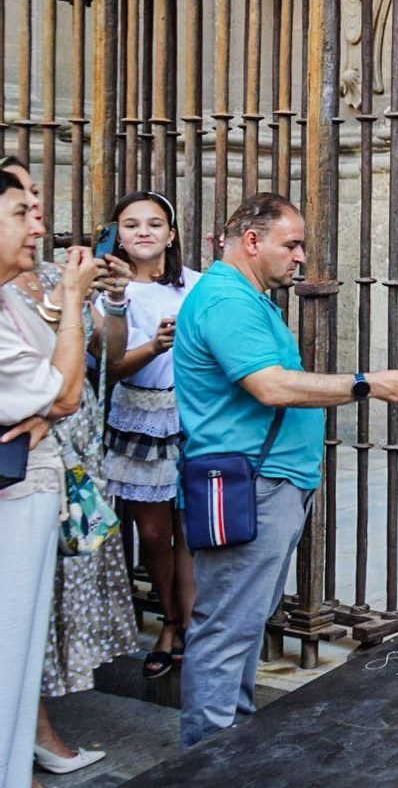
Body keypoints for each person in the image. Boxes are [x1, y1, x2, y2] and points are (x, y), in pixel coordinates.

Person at [173, 193, 398, 748]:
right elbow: (270, 386)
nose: (301, 257)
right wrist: (365, 383)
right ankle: (205, 762)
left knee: (240, 625)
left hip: (267, 482)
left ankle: (226, 746)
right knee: (226, 629)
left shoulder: (249, 297)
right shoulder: (225, 301)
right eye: (292, 244)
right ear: (252, 240)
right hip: (249, 485)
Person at [0, 158, 135, 779]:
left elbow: (86, 366)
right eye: (21, 207)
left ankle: (33, 731)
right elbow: (59, 390)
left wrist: (101, 300)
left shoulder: (40, 279)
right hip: (18, 481)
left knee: (33, 624)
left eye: (36, 203)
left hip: (61, 462)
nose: (37, 219)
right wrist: (49, 404)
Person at [102, 190, 202, 680]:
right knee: (153, 530)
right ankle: (170, 617)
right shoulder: (109, 294)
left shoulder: (196, 286)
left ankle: (187, 627)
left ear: (171, 234)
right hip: (139, 415)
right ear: (118, 234)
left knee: (189, 528)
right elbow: (112, 368)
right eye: (132, 224)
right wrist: (155, 345)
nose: (144, 231)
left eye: (155, 223)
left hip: (192, 416)